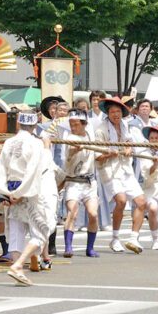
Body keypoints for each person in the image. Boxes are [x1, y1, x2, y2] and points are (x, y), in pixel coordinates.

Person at [1, 111, 56, 286]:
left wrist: (7, 192)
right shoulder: (36, 143)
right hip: (28, 191)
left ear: (18, 123)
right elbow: (35, 170)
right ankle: (18, 265)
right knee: (42, 230)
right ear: (35, 125)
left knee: (16, 232)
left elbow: (0, 168)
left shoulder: (8, 142)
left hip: (11, 188)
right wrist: (21, 192)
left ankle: (18, 269)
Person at [95, 97, 147, 255]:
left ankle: (133, 237)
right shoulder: (101, 130)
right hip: (110, 170)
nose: (115, 114)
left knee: (141, 202)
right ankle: (115, 237)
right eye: (112, 111)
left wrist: (129, 149)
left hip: (125, 169)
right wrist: (109, 153)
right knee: (121, 201)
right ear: (108, 113)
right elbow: (96, 155)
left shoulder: (125, 126)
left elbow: (130, 143)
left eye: (118, 111)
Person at [60, 109, 100, 258]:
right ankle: (68, 247)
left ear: (84, 124)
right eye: (71, 124)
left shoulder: (90, 134)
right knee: (72, 212)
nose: (73, 127)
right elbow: (69, 153)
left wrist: (110, 152)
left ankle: (90, 248)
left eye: (76, 124)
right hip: (73, 181)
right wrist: (75, 150)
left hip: (89, 182)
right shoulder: (69, 137)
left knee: (93, 214)